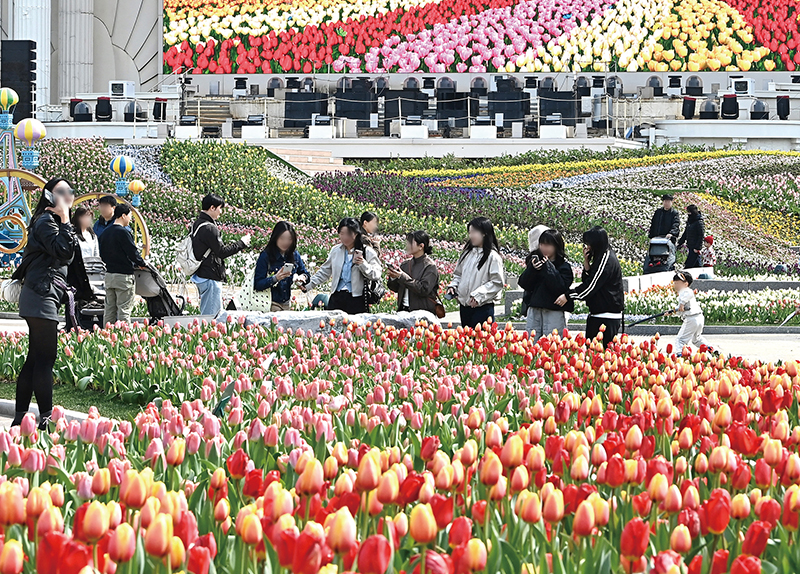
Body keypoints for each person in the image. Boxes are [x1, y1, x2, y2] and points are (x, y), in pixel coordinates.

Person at [13, 178, 77, 430]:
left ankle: (20, 418)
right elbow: (64, 251)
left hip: (43, 293)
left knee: (35, 357)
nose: (67, 196)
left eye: (69, 191)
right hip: (41, 294)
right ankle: (46, 419)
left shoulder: (50, 221)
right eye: (61, 192)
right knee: (46, 358)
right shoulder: (45, 221)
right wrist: (66, 219)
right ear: (49, 195)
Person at [303, 218, 381, 314]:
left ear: (356, 234)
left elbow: (376, 274)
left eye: (348, 234)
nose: (344, 237)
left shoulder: (367, 252)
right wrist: (308, 285)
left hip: (356, 298)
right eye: (342, 233)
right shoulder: (336, 251)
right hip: (337, 297)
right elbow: (324, 272)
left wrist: (363, 264)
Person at [191, 194, 251, 317]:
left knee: (207, 313)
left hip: (201, 274)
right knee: (212, 318)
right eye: (220, 208)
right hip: (210, 276)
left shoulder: (197, 224)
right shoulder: (209, 228)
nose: (221, 212)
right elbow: (222, 252)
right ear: (212, 208)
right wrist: (242, 243)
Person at [569, 226, 624, 348]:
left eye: (589, 244)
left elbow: (591, 286)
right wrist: (587, 263)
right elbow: (590, 279)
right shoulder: (601, 257)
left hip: (606, 317)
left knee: (601, 357)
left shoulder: (607, 259)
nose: (587, 248)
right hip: (597, 315)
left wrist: (568, 295)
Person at [447, 217, 505, 329]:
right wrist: (453, 286)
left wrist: (478, 295)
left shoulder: (492, 256)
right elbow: (458, 275)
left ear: (484, 233)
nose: (471, 236)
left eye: (474, 232)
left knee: (480, 342)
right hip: (465, 306)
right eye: (470, 232)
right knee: (467, 342)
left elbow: (497, 282)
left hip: (482, 307)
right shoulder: (467, 254)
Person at [518, 229, 574, 338]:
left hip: (553, 309)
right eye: (542, 244)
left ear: (556, 246)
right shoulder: (535, 262)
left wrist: (548, 267)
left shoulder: (563, 266)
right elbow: (524, 283)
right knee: (532, 342)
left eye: (548, 245)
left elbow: (560, 287)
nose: (544, 248)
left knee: (552, 343)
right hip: (535, 308)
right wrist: (532, 269)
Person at [99, 204, 146, 325]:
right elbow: (132, 253)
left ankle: (106, 335)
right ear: (123, 215)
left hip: (109, 275)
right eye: (129, 216)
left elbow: (102, 254)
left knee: (109, 309)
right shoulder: (123, 233)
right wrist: (141, 263)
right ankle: (123, 337)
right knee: (124, 309)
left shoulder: (105, 232)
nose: (130, 219)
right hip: (123, 276)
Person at [254, 221, 309, 312]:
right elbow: (258, 284)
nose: (285, 242)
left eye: (289, 239)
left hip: (286, 302)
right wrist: (275, 278)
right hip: (270, 302)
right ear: (276, 237)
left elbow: (305, 273)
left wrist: (302, 278)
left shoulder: (294, 255)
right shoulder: (266, 256)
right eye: (282, 238)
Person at [387, 230, 440, 313]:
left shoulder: (429, 266)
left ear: (421, 246)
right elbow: (396, 288)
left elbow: (423, 289)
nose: (407, 245)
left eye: (410, 243)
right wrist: (393, 277)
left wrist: (402, 277)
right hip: (403, 310)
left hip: (422, 312)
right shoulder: (405, 264)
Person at [669, 271, 713, 353]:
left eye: (678, 283)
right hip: (699, 317)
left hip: (691, 318)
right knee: (696, 339)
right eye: (675, 283)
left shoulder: (685, 291)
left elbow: (690, 294)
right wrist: (673, 311)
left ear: (685, 284)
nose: (676, 286)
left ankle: (680, 355)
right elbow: (682, 309)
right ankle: (710, 348)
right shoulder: (683, 294)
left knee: (680, 340)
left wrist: (681, 303)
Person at [646, 194, 680, 271]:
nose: (666, 203)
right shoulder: (658, 212)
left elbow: (676, 225)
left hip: (668, 239)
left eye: (668, 201)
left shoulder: (674, 213)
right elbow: (653, 224)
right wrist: (651, 235)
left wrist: (671, 233)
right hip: (657, 239)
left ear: (671, 202)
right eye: (665, 201)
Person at [678, 204, 705, 269]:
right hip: (690, 245)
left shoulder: (699, 222)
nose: (688, 214)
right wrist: (680, 242)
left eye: (689, 212)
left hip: (695, 246)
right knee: (696, 264)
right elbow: (686, 232)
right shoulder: (690, 221)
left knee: (689, 264)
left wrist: (698, 247)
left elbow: (701, 235)